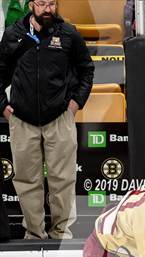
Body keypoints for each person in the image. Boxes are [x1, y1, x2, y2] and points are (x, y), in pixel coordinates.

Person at [0, 0, 94, 239]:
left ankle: (61, 233)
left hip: (59, 118)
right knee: (27, 181)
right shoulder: (13, 34)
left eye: (52, 3)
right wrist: (4, 109)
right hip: (22, 120)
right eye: (42, 3)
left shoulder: (68, 34)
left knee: (62, 180)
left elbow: (86, 70)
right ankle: (34, 234)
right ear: (31, 5)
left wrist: (74, 105)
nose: (48, 9)